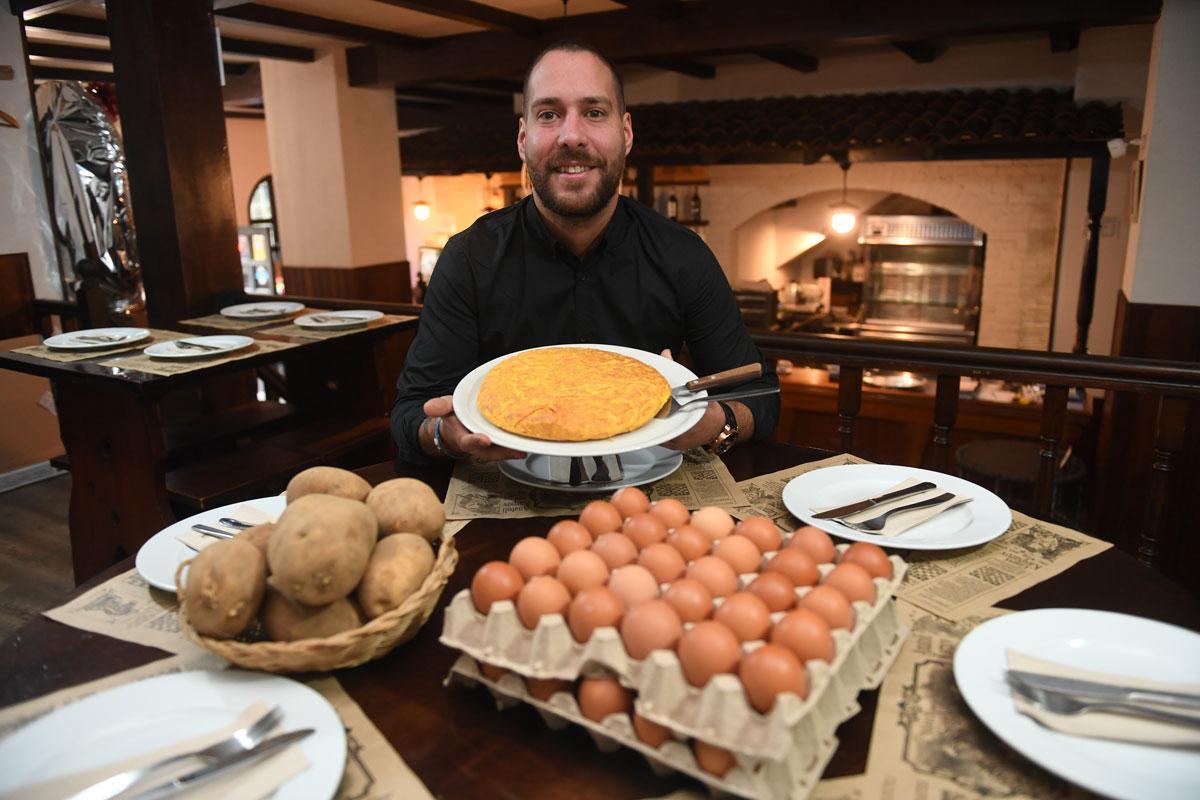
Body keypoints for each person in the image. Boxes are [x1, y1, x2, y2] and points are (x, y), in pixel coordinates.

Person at [390, 41, 779, 466]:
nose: (572, 136)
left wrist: (716, 423)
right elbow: (412, 413)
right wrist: (445, 435)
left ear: (625, 133)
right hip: (504, 487)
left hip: (647, 496)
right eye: (549, 114)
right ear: (524, 139)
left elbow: (759, 398)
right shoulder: (469, 258)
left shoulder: (683, 255)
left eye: (594, 112)